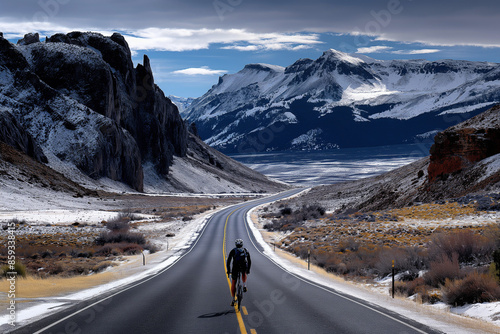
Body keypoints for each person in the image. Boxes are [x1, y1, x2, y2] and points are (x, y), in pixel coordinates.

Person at [226, 238, 251, 306]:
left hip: (235, 268)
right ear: (242, 244)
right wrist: (248, 269)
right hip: (243, 267)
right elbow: (249, 261)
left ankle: (233, 299)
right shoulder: (245, 250)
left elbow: (228, 261)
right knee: (244, 273)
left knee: (234, 282)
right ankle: (244, 285)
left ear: (236, 244)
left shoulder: (233, 251)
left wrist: (228, 270)